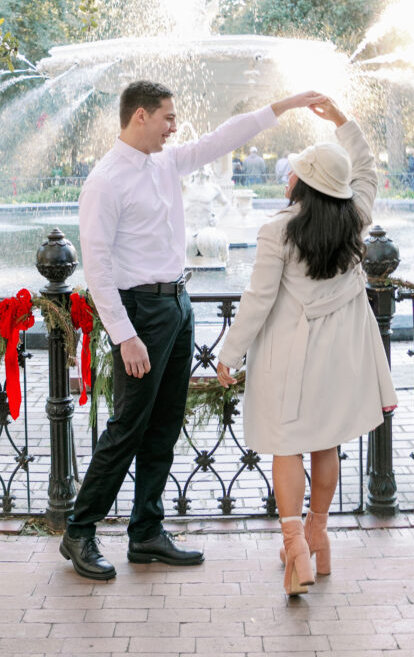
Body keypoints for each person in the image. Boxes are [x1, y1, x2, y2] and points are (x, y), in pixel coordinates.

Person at [60, 79, 328, 581]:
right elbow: (95, 264)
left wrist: (287, 103)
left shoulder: (165, 163)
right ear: (139, 116)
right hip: (138, 313)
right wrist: (124, 333)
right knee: (127, 427)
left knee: (164, 423)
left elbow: (224, 138)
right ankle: (79, 529)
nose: (174, 126)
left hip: (177, 305)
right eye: (167, 116)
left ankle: (146, 534)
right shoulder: (105, 181)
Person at [216, 97, 397, 596]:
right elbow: (367, 171)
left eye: (295, 172)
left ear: (305, 184)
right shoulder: (355, 220)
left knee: (286, 446)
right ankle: (320, 536)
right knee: (325, 443)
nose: (288, 177)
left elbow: (257, 300)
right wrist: (343, 122)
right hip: (339, 359)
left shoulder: (278, 230)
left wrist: (228, 353)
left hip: (290, 361)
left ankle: (296, 548)